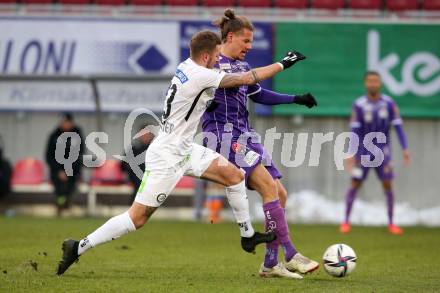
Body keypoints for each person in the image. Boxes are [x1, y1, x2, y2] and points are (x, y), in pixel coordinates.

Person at [57, 30, 302, 276]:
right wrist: (283, 63)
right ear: (206, 56)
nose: (220, 60)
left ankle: (247, 235)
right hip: (168, 155)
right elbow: (248, 79)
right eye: (217, 55)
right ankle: (78, 247)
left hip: (185, 147)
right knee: (137, 218)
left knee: (235, 176)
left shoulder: (186, 66)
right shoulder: (201, 74)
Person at [201, 9, 319, 279]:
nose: (250, 47)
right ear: (230, 37)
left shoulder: (242, 67)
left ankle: (269, 264)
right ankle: (290, 254)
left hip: (246, 135)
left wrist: (295, 99)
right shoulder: (213, 64)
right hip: (223, 136)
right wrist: (281, 64)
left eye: (252, 42)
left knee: (280, 193)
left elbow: (258, 93)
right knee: (268, 186)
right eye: (246, 41)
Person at [340, 71, 411, 235]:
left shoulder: (389, 103)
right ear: (366, 83)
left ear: (380, 83)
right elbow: (354, 131)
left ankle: (392, 223)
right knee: (355, 183)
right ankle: (345, 222)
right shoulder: (359, 104)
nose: (373, 84)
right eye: (370, 81)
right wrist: (351, 152)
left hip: (383, 152)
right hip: (363, 152)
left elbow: (398, 127)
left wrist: (405, 148)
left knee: (387, 184)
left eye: (376, 81)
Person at [45, 113, 84, 215]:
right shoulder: (54, 136)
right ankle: (60, 205)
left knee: (70, 186)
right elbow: (49, 156)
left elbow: (80, 154)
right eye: (63, 122)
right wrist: (59, 171)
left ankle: (67, 204)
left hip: (73, 170)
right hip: (57, 171)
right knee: (59, 187)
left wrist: (68, 170)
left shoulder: (77, 135)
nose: (64, 124)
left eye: (67, 122)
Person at [121, 125, 155, 202]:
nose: (145, 136)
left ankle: (137, 205)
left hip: (151, 176)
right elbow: (123, 166)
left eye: (147, 133)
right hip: (135, 177)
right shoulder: (133, 149)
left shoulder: (155, 150)